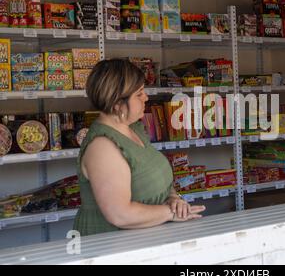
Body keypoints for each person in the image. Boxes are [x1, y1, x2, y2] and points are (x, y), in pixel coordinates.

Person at [74, 58, 205, 236]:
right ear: (117, 103)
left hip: (141, 240)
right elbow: (119, 215)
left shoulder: (134, 128)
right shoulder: (102, 147)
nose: (146, 97)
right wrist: (169, 212)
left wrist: (174, 199)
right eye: (139, 93)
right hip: (110, 248)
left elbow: (157, 178)